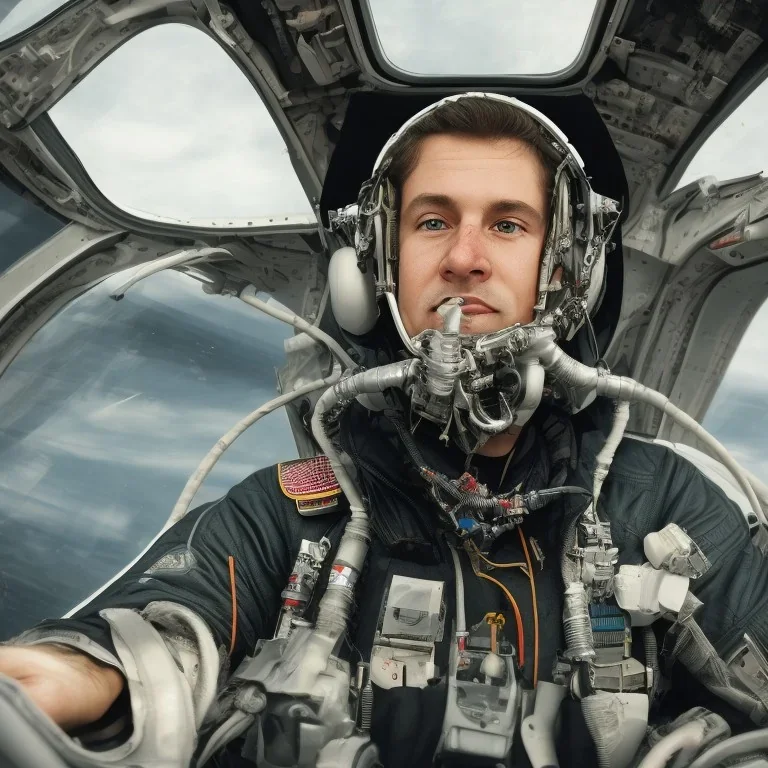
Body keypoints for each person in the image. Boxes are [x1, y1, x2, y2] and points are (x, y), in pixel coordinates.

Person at [1, 93, 767, 768]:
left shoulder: (664, 498)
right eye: (433, 221)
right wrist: (74, 671)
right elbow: (165, 622)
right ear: (373, 272)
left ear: (568, 273)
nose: (465, 258)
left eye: (507, 223)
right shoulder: (294, 507)